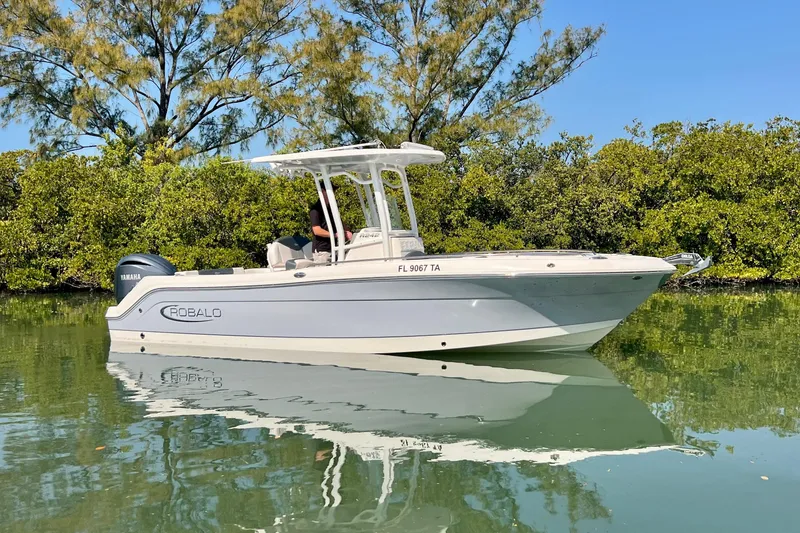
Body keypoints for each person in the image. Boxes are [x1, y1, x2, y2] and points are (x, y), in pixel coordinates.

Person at [310, 185, 353, 264]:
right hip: (322, 252)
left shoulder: (331, 208)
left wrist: (347, 232)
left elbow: (339, 221)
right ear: (323, 191)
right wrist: (335, 235)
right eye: (330, 191)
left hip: (334, 249)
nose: (333, 193)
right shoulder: (315, 209)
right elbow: (316, 230)